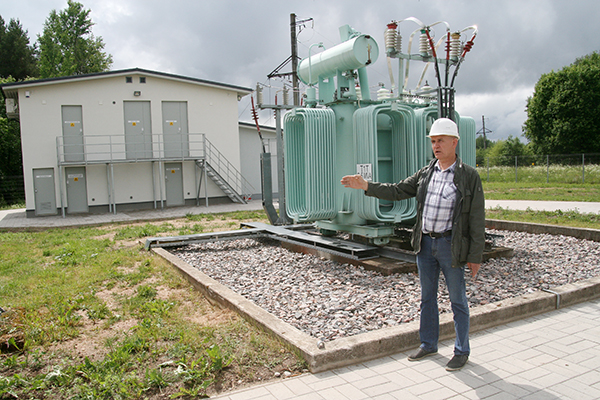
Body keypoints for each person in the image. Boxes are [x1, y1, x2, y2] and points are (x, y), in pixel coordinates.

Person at [340, 117, 485, 371]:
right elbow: (397, 190)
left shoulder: (469, 176)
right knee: (427, 298)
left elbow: (476, 218)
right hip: (426, 245)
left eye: (440, 140)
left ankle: (462, 350)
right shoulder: (426, 173)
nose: (436, 145)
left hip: (451, 245)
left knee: (458, 300)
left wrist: (475, 256)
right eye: (433, 141)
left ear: (454, 142)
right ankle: (428, 344)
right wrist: (366, 186)